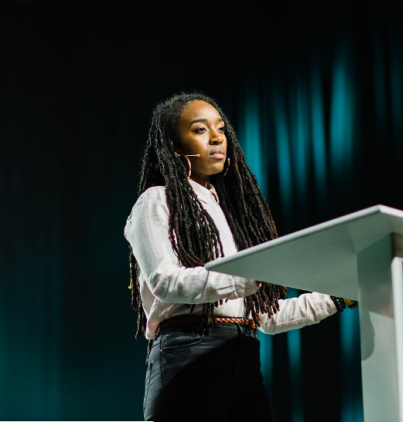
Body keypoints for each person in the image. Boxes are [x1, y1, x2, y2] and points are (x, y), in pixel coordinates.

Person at [123, 92, 356, 421]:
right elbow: (165, 281)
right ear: (175, 146)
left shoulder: (235, 217)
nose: (217, 137)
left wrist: (339, 297)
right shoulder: (156, 200)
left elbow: (266, 317)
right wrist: (244, 277)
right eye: (201, 130)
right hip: (187, 354)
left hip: (244, 357)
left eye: (221, 128)